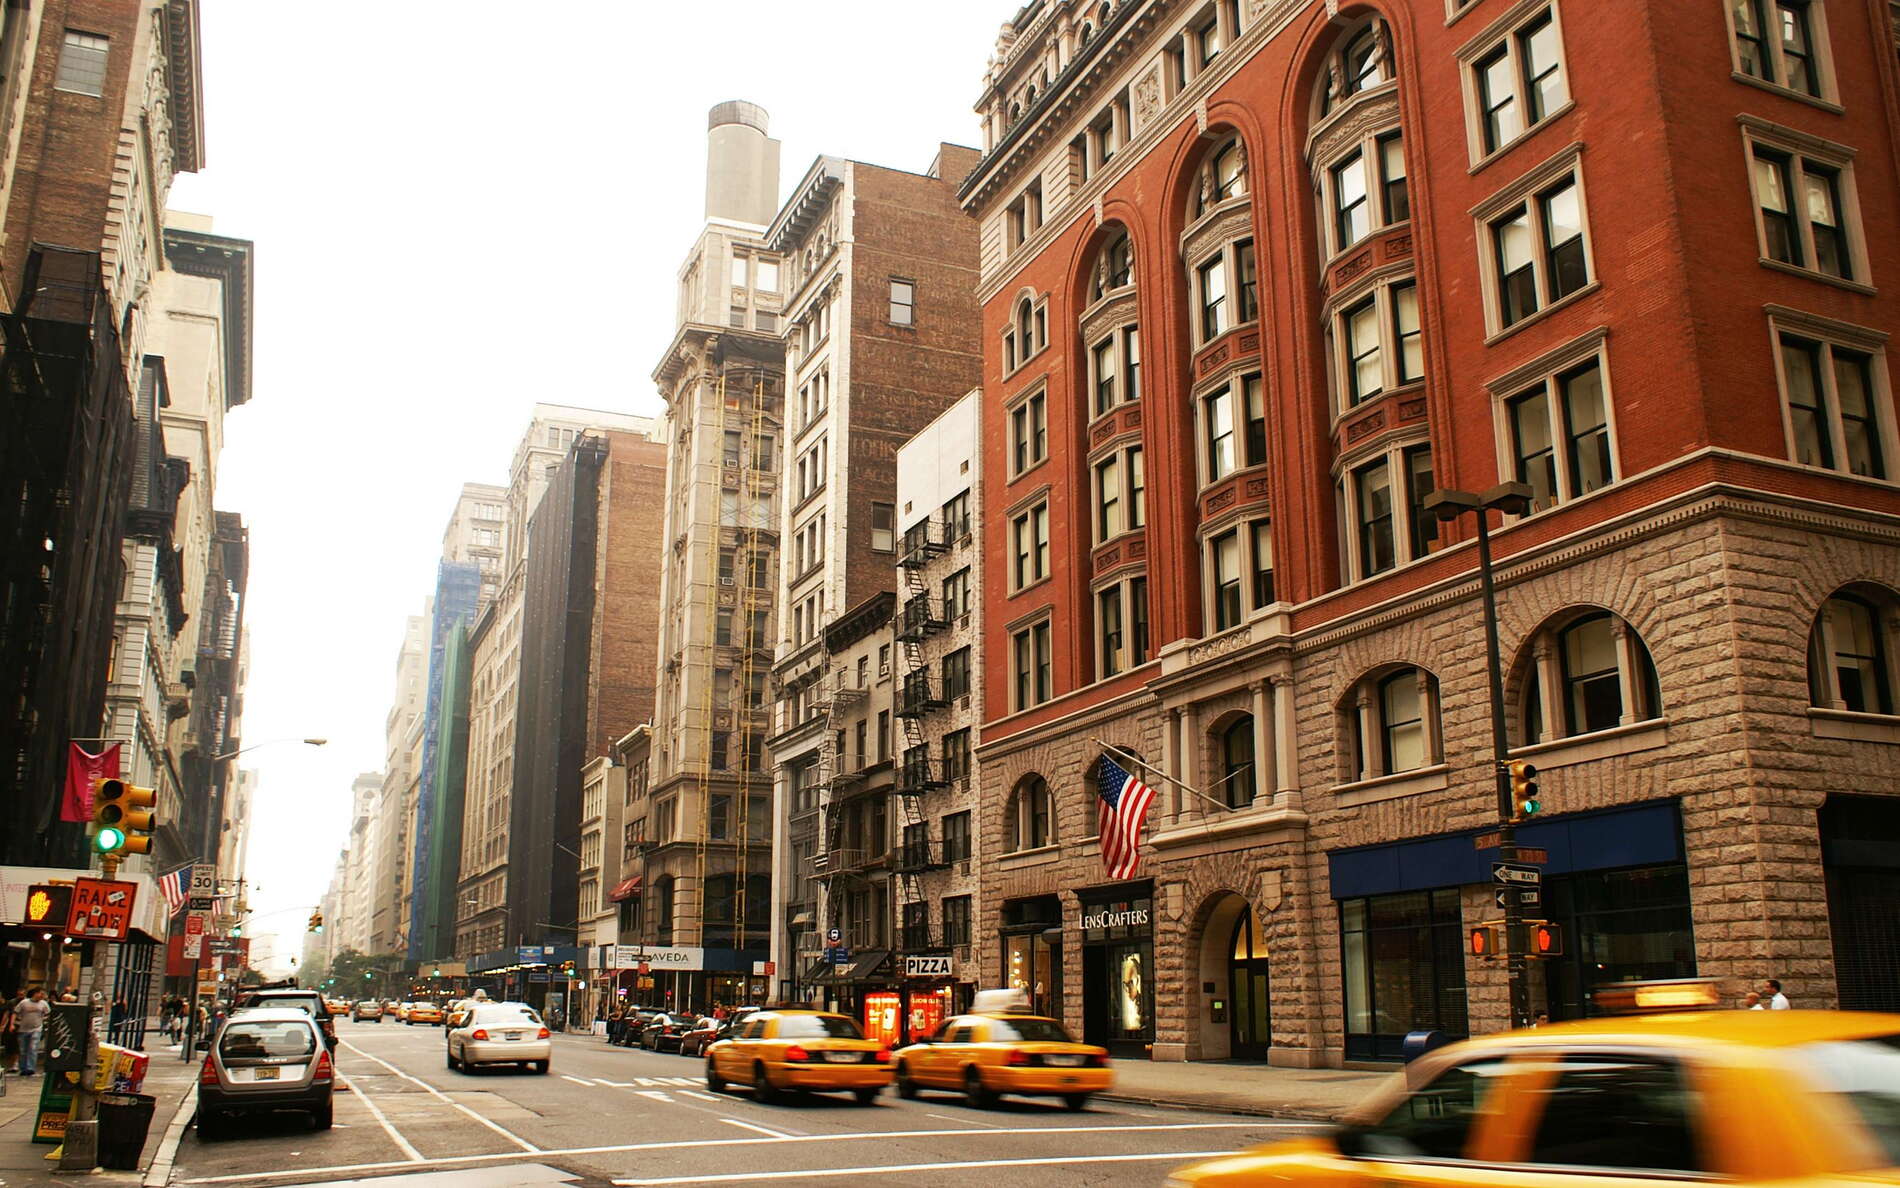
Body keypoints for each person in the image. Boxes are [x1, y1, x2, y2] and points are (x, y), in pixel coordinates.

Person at [14, 988, 49, 1076]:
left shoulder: (44, 1003)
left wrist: (44, 1021)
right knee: (23, 1050)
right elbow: (15, 1012)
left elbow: (49, 1013)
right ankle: (23, 1068)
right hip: (23, 1029)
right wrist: (13, 1024)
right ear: (35, 994)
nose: (42, 996)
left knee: (33, 1048)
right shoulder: (24, 1002)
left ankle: (30, 1068)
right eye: (41, 994)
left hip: (36, 1028)